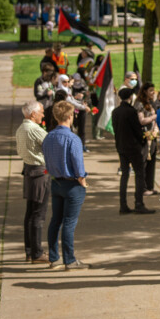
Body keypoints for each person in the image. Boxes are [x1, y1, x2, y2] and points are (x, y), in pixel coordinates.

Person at [41, 101, 90, 270]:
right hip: (72, 184)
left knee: (56, 220)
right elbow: (78, 164)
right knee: (69, 222)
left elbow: (46, 160)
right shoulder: (73, 139)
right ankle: (69, 259)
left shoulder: (48, 137)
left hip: (56, 182)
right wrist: (82, 180)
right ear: (70, 116)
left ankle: (54, 257)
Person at [112, 88, 155, 215]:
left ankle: (123, 204)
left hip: (121, 146)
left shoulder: (116, 112)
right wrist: (142, 141)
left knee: (125, 174)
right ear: (130, 97)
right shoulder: (131, 112)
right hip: (133, 147)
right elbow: (137, 130)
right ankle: (139, 203)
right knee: (139, 174)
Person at [17, 101, 49, 264]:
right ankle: (36, 253)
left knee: (30, 212)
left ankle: (30, 251)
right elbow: (51, 146)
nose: (43, 115)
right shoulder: (34, 130)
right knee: (38, 214)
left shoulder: (21, 128)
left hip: (29, 170)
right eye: (41, 112)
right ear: (32, 114)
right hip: (39, 172)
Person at [135, 82, 160, 196]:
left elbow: (154, 121)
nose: (153, 93)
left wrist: (156, 129)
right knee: (144, 162)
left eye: (153, 90)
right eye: (150, 90)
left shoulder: (151, 103)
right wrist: (155, 116)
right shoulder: (139, 104)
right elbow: (142, 121)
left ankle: (150, 186)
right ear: (144, 91)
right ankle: (143, 188)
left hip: (152, 136)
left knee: (152, 162)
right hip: (144, 137)